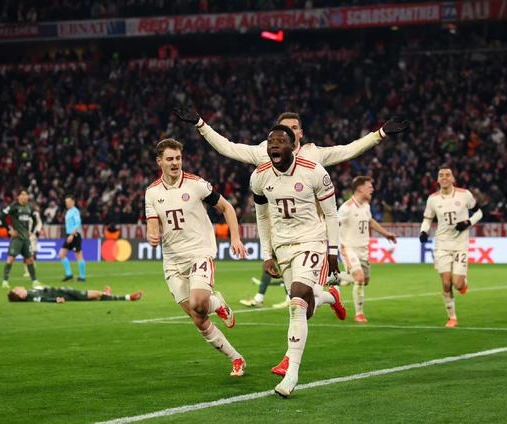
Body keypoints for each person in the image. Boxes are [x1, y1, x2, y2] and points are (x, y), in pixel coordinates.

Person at [173, 106, 409, 308]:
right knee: (303, 301)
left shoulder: (312, 154)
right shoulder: (264, 152)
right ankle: (328, 297)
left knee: (301, 295)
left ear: (301, 133)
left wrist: (379, 134)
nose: (290, 132)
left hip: (310, 235)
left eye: (295, 128)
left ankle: (308, 313)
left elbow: (347, 149)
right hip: (280, 235)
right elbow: (228, 147)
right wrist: (200, 124)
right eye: (285, 128)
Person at [250, 125, 343, 397]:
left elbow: (331, 214)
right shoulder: (259, 177)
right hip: (282, 246)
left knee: (298, 298)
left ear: (293, 146)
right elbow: (262, 217)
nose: (274, 145)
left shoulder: (314, 171)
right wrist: (267, 254)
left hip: (310, 241)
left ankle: (291, 374)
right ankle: (329, 297)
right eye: (270, 141)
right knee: (305, 308)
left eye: (280, 141)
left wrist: (333, 250)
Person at [145, 138, 249, 377]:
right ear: (159, 162)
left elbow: (227, 207)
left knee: (199, 303)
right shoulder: (151, 192)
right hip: (172, 261)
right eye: (170, 159)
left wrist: (235, 238)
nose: (175, 163)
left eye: (178, 158)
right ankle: (236, 358)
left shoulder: (196, 185)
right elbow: (152, 223)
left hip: (199, 253)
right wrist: (152, 235)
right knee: (198, 317)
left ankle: (216, 303)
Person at [419, 166, 483, 327]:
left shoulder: (464, 194)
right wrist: (424, 231)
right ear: (438, 179)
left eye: (448, 175)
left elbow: (479, 213)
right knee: (446, 283)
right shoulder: (433, 199)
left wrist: (468, 222)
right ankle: (452, 317)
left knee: (457, 284)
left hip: (460, 245)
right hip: (442, 244)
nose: (444, 177)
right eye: (441, 175)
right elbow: (427, 219)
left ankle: (463, 284)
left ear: (453, 178)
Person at [337, 176, 397, 323]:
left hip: (363, 250)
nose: (372, 189)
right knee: (359, 278)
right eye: (369, 187)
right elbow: (334, 225)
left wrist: (386, 234)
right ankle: (359, 314)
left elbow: (370, 222)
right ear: (360, 188)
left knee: (365, 281)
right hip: (348, 248)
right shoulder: (346, 208)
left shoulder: (366, 206)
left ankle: (338, 277)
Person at [0, 189, 41, 288]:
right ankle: (5, 281)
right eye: (22, 195)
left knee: (30, 260)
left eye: (26, 195)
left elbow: (35, 219)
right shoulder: (14, 206)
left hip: (26, 239)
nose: (25, 197)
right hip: (17, 238)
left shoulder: (29, 207)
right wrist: (9, 230)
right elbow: (2, 216)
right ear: (18, 197)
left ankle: (34, 281)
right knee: (11, 258)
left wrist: (31, 231)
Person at [7, 285, 142, 303]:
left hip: (64, 291)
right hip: (65, 294)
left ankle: (104, 294)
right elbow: (41, 299)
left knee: (96, 295)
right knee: (95, 294)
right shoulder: (31, 296)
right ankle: (128, 297)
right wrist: (55, 300)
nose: (18, 287)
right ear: (20, 296)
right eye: (16, 290)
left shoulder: (30, 291)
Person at [60, 195, 86, 282]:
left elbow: (77, 223)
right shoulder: (68, 211)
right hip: (69, 235)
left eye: (69, 202)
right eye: (66, 202)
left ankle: (82, 277)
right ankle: (69, 274)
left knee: (78, 255)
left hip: (74, 235)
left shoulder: (75, 211)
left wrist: (72, 235)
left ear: (73, 202)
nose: (67, 203)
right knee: (62, 254)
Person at [23, 207, 43, 277]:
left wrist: (37, 231)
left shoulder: (35, 214)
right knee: (25, 253)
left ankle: (32, 267)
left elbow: (39, 222)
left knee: (33, 253)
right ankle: (26, 271)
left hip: (33, 235)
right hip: (24, 235)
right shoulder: (22, 213)